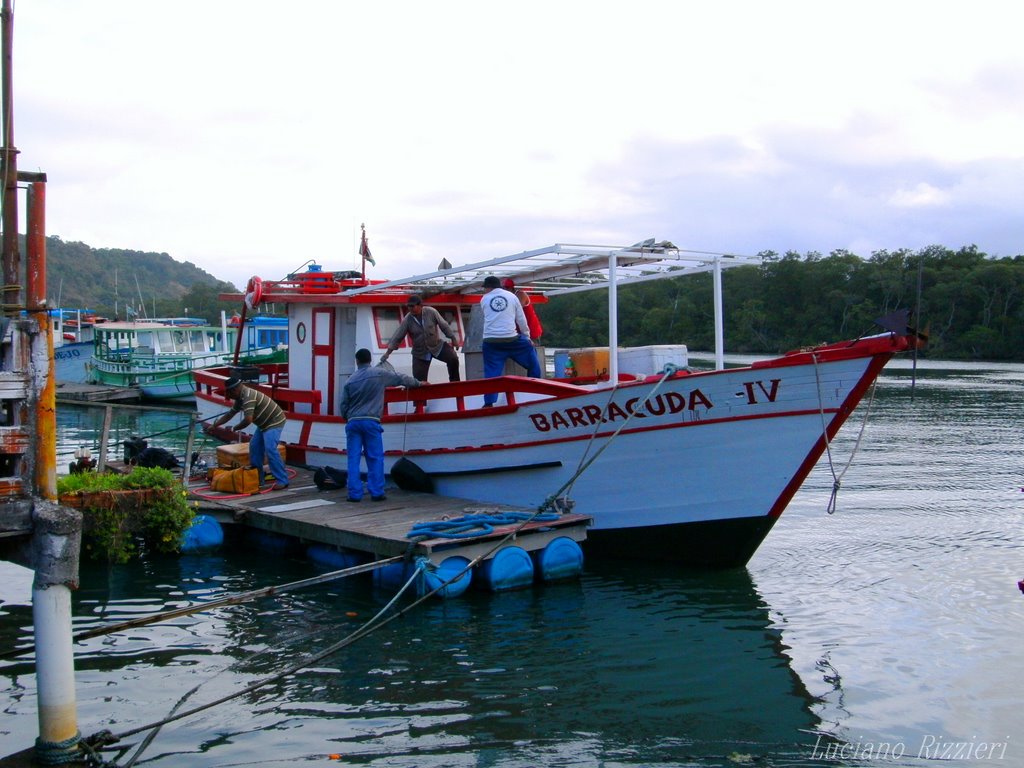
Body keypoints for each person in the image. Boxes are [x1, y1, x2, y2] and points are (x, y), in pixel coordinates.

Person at [338, 348, 421, 502]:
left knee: (353, 458)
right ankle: (376, 492)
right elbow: (400, 378)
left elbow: (343, 405)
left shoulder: (350, 380)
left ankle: (354, 494)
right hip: (371, 421)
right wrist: (418, 383)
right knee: (375, 457)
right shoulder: (379, 374)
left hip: (353, 422)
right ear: (370, 360)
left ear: (357, 361)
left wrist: (347, 417)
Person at [205, 376, 289, 490]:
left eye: (229, 393)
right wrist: (214, 425)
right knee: (254, 448)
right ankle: (258, 478)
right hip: (263, 424)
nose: (228, 396)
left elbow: (248, 420)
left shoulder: (248, 397)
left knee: (270, 449)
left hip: (274, 421)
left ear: (234, 390)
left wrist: (235, 428)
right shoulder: (240, 397)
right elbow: (230, 414)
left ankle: (282, 480)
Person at [480, 275, 542, 406]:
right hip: (512, 340)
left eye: (485, 288)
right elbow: (521, 319)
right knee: (532, 361)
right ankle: (534, 392)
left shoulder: (484, 299)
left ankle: (489, 403)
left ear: (489, 288)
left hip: (491, 342)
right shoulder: (513, 297)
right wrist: (526, 337)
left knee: (492, 373)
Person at [380, 294, 461, 382]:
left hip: (436, 346)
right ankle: (423, 393)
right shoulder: (407, 320)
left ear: (420, 306)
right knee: (418, 380)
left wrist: (453, 339)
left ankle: (455, 382)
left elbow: (444, 325)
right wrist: (387, 353)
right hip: (420, 352)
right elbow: (398, 337)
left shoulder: (431, 312)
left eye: (412, 306)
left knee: (453, 358)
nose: (410, 308)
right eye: (408, 306)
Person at [501, 278, 543, 342]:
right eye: (502, 288)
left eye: (506, 288)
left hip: (531, 331)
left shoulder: (520, 294)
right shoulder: (507, 298)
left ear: (511, 288)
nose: (504, 290)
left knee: (531, 351)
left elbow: (515, 310)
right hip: (518, 333)